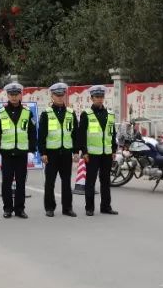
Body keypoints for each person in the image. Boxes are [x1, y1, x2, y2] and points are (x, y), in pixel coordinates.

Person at [0, 81, 36, 219]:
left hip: (22, 153)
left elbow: (32, 134)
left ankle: (20, 209)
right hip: (6, 153)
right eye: (11, 94)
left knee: (21, 183)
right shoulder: (1, 113)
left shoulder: (27, 113)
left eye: (16, 94)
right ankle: (7, 208)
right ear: (7, 95)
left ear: (20, 95)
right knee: (6, 183)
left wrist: (31, 151)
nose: (14, 97)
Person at [38, 81, 78, 218]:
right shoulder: (46, 114)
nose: (60, 97)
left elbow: (75, 134)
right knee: (50, 182)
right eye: (57, 95)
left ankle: (67, 208)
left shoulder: (71, 114)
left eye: (62, 95)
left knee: (66, 182)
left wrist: (76, 151)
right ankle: (50, 207)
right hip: (51, 153)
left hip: (66, 153)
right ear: (52, 96)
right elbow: (41, 135)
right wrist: (42, 152)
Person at [77, 84, 118, 216]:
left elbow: (112, 133)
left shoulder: (110, 114)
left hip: (106, 153)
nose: (99, 99)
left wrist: (113, 150)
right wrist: (84, 152)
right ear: (92, 98)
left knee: (106, 181)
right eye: (96, 97)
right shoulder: (86, 114)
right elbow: (81, 135)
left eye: (101, 97)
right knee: (90, 181)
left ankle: (106, 206)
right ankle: (89, 207)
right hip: (92, 154)